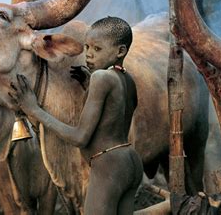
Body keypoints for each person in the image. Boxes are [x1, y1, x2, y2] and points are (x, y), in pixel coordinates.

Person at [10, 16, 143, 214]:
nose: (89, 55)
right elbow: (115, 115)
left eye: (97, 49)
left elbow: (80, 137)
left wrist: (34, 109)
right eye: (87, 47)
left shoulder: (101, 77)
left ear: (120, 51)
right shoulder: (127, 79)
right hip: (130, 161)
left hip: (108, 167)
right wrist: (89, 87)